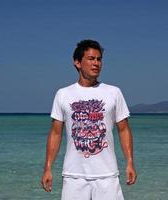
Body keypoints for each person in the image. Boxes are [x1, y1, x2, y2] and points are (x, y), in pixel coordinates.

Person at [41, 39, 137, 200]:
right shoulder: (63, 94)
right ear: (78, 62)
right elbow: (56, 133)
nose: (96, 63)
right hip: (74, 176)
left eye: (99, 59)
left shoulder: (113, 92)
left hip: (107, 175)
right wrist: (48, 167)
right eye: (91, 59)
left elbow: (124, 129)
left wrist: (129, 162)